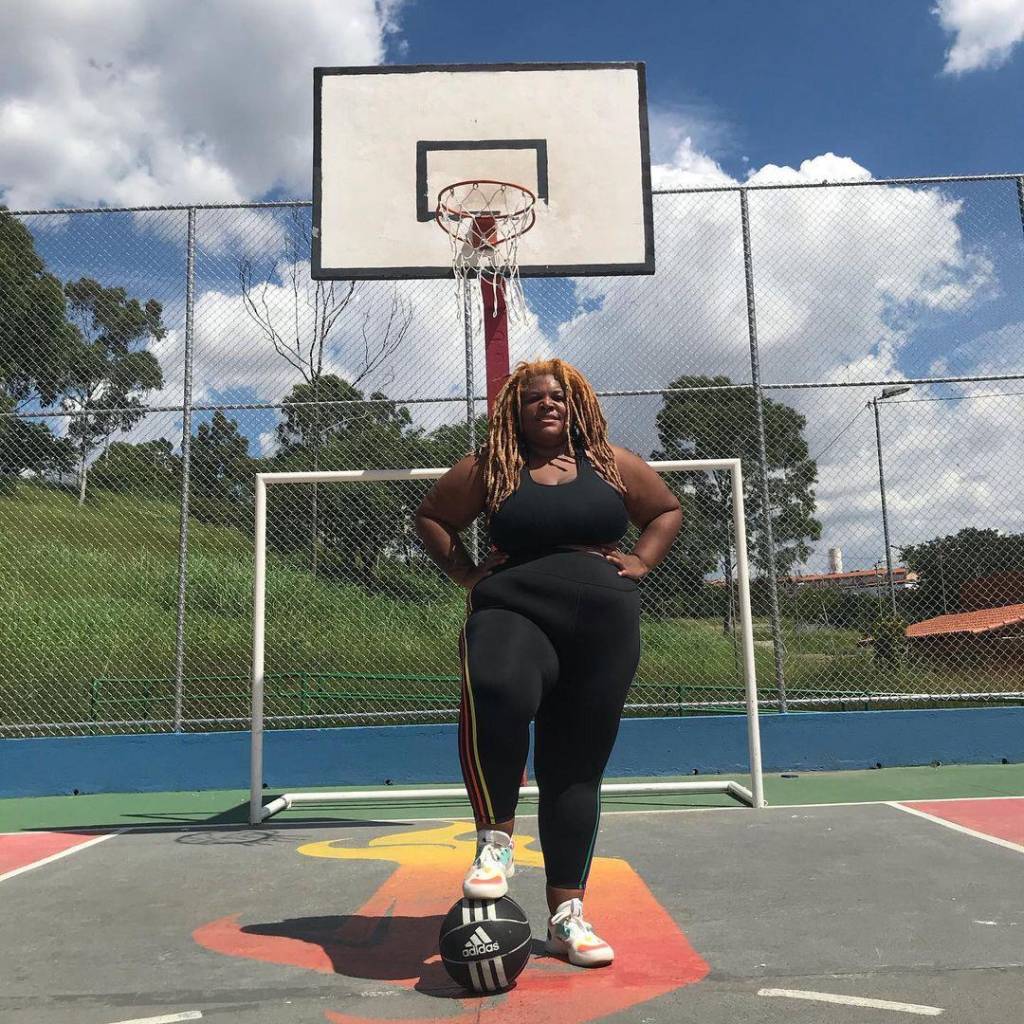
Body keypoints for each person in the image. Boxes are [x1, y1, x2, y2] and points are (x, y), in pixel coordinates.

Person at [414, 358, 682, 967]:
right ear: (516, 409)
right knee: (496, 683)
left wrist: (642, 560)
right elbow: (432, 517)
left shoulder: (614, 465)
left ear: (576, 403)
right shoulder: (490, 468)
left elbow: (666, 511)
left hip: (602, 628)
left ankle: (568, 918)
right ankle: (495, 841)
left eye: (557, 396)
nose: (546, 404)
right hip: (515, 607)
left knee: (574, 771)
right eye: (533, 398)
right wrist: (461, 570)